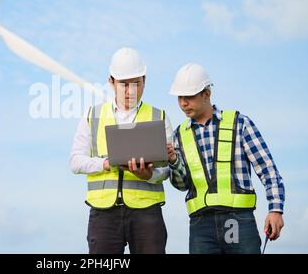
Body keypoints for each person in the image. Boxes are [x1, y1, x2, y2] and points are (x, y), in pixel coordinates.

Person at [167, 63, 285, 254]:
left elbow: (268, 170)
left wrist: (275, 210)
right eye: (179, 97)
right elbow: (182, 184)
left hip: (237, 220)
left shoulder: (239, 123)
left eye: (189, 96)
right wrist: (173, 161)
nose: (183, 103)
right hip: (200, 225)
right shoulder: (179, 135)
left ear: (207, 94)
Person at [69, 47, 174, 254]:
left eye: (137, 83)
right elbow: (75, 161)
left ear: (144, 80)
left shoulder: (159, 116)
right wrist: (105, 163)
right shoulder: (93, 115)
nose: (131, 91)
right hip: (104, 214)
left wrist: (149, 174)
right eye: (124, 84)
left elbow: (167, 169)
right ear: (111, 82)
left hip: (147, 214)